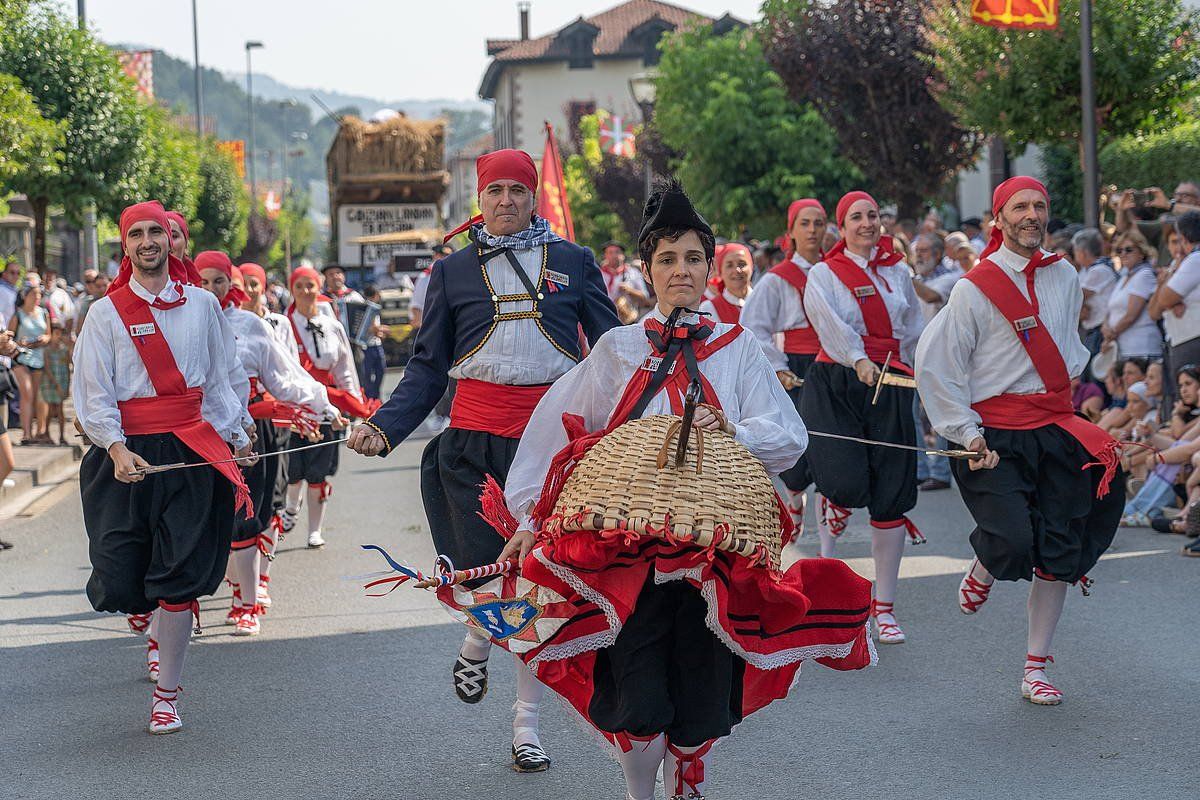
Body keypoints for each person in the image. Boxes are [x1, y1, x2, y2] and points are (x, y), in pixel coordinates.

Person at [480, 180, 873, 800]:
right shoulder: (617, 349)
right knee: (637, 692)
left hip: (715, 548)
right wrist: (529, 513)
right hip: (624, 549)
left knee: (701, 687)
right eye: (667, 259)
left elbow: (790, 438)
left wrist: (733, 431)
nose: (681, 271)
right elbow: (555, 429)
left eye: (693, 258)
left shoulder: (739, 349)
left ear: (708, 266)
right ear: (647, 271)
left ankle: (689, 771)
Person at [346, 148, 620, 773]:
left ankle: (526, 724)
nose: (505, 201)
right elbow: (426, 365)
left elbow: (610, 355)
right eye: (494, 190)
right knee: (491, 574)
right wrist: (385, 429)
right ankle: (479, 631)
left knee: (533, 584)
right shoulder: (453, 270)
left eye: (516, 191)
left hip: (551, 450)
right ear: (480, 198)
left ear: (533, 198)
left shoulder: (574, 264)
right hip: (472, 444)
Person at [915, 177, 1124, 706]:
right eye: (1020, 207)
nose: (1031, 214)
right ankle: (987, 558)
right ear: (999, 218)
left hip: (1053, 425)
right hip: (995, 434)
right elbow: (936, 366)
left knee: (1059, 548)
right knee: (1011, 540)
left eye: (1038, 206)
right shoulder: (973, 288)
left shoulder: (1065, 275)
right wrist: (965, 433)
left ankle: (1035, 666)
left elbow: (1074, 343)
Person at [73, 201, 253, 733]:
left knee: (179, 579)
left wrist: (236, 435)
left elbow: (222, 379)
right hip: (128, 452)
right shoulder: (105, 313)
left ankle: (167, 696)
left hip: (192, 449)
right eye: (138, 234)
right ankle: (145, 616)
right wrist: (113, 446)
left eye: (157, 231)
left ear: (172, 242)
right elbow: (92, 389)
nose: (149, 241)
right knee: (122, 575)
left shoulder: (202, 305)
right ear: (125, 246)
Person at [799, 190, 925, 644]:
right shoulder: (824, 274)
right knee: (846, 480)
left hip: (890, 381)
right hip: (838, 379)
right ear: (842, 225)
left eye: (873, 215)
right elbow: (828, 324)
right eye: (857, 217)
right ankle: (833, 501)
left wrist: (917, 371)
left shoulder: (898, 271)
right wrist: (857, 359)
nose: (867, 223)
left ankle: (884, 607)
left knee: (891, 494)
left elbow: (912, 327)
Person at [196, 252, 343, 634]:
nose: (211, 289)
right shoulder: (177, 321)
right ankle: (207, 598)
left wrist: (322, 404)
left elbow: (285, 377)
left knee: (248, 519)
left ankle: (248, 602)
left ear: (233, 285)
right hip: (196, 438)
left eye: (219, 281)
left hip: (247, 434)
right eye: (202, 281)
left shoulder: (250, 324)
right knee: (210, 522)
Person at [741, 198, 828, 546]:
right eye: (804, 223)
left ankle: (828, 539)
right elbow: (754, 326)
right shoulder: (777, 280)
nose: (812, 230)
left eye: (818, 223)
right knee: (797, 445)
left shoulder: (835, 273)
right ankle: (794, 495)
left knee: (826, 444)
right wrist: (777, 366)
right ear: (790, 232)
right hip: (795, 363)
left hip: (830, 364)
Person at [280, 266, 373, 550]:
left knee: (319, 473)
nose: (306, 292)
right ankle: (291, 510)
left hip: (329, 407)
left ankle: (315, 529)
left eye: (311, 286)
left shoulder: (332, 324)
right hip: (296, 407)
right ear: (292, 290)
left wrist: (353, 402)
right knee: (294, 471)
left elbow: (345, 367)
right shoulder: (284, 324)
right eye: (300, 287)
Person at [1150, 212, 1200, 386]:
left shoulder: (1195, 259)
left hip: (1192, 340)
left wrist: (1168, 281)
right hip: (1179, 341)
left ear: (1184, 237)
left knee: (1187, 404)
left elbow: (1164, 299)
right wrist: (1172, 300)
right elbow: (1154, 312)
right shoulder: (1177, 264)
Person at [1103, 229, 1162, 359]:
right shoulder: (1124, 277)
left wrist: (1110, 335)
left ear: (1141, 253)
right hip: (1122, 348)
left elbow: (1131, 316)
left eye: (1129, 250)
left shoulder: (1144, 275)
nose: (1123, 254)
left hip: (1141, 348)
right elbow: (1110, 310)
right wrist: (1105, 327)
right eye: (1119, 250)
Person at [7, 279, 49, 445]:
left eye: (39, 294)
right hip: (21, 359)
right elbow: (9, 338)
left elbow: (49, 335)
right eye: (34, 294)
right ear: (26, 296)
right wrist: (19, 343)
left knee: (39, 396)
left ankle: (41, 430)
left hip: (38, 358)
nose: (37, 297)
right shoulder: (18, 314)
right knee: (27, 393)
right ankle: (26, 433)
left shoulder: (43, 313)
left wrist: (42, 339)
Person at [1073, 228, 1117, 355]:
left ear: (1082, 252)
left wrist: (1080, 304)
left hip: (1100, 330)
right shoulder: (1085, 271)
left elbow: (1077, 295)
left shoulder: (1100, 269)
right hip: (1091, 330)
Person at [697, 242, 753, 323]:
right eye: (729, 265)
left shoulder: (764, 301)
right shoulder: (709, 309)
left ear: (751, 267)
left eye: (742, 264)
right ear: (720, 272)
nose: (736, 270)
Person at [599, 240, 650, 324]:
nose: (614, 255)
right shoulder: (599, 274)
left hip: (627, 320)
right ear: (605, 255)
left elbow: (645, 297)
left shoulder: (632, 272)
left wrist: (630, 290)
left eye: (617, 252)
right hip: (604, 319)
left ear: (623, 255)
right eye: (610, 252)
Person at [38, 322, 70, 445]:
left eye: (60, 334)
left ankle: (62, 436)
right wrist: (56, 384)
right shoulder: (47, 350)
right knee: (50, 409)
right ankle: (46, 433)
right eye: (56, 333)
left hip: (62, 382)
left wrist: (66, 385)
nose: (59, 336)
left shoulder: (64, 350)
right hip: (50, 383)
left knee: (60, 409)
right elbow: (47, 368)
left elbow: (67, 367)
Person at [409, 245, 453, 330]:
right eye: (443, 254)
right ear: (435, 256)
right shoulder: (425, 277)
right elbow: (416, 306)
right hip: (430, 327)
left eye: (448, 255)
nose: (446, 257)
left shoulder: (454, 275)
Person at [360, 285, 387, 400]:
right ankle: (370, 398)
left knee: (380, 370)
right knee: (368, 375)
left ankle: (375, 397)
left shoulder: (375, 308)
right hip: (367, 346)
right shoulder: (366, 308)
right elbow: (372, 328)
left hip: (376, 344)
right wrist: (383, 330)